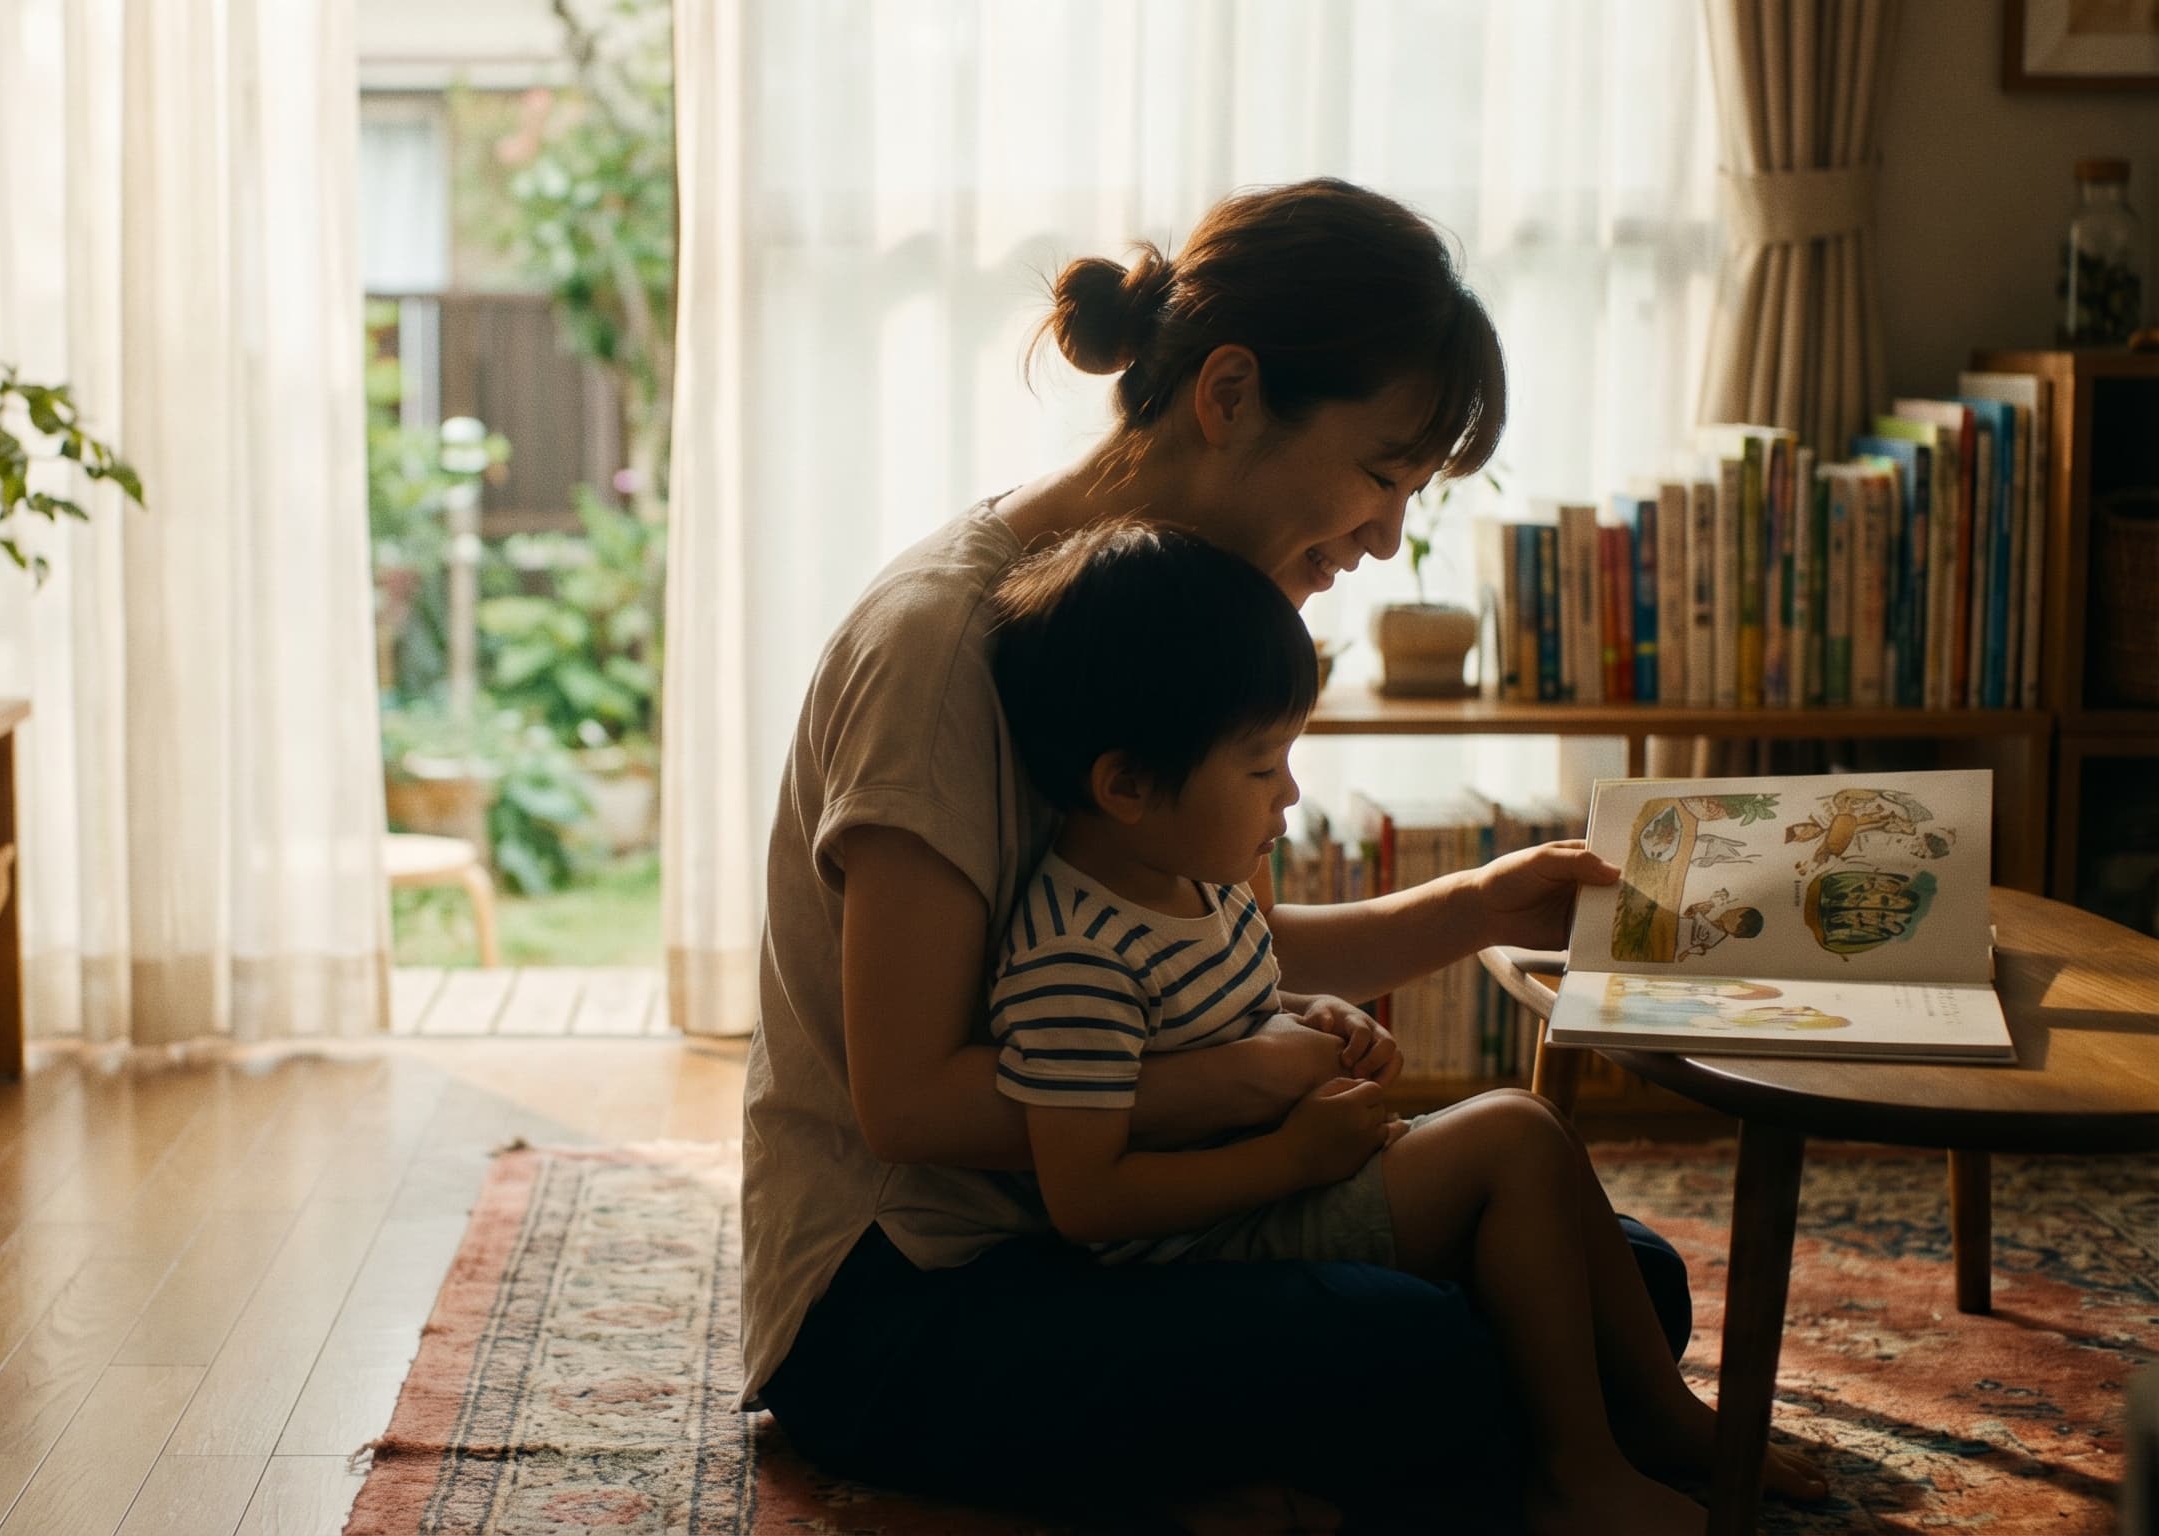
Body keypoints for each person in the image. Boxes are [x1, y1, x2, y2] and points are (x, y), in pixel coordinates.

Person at [742, 180, 1740, 1530]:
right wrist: (1240, 1082)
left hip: (1136, 1233)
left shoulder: (1183, 617)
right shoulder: (943, 648)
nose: (1391, 533)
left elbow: (1229, 946)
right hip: (914, 1291)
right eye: (1383, 472)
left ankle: (1256, 1481)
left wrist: (1487, 903)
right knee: (1432, 1350)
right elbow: (908, 1103)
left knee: (1615, 1278)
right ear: (1228, 393)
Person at [886, 519, 1821, 1534]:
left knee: (1563, 1187)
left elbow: (1221, 1016)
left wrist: (1308, 1017)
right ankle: (1576, 1473)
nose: (1288, 796)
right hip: (1212, 1243)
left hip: (1280, 1183)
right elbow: (1087, 1199)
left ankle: (1668, 1420)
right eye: (1260, 768)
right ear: (1125, 785)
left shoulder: (1194, 889)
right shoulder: (1073, 953)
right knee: (1513, 1136)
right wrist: (1291, 1158)